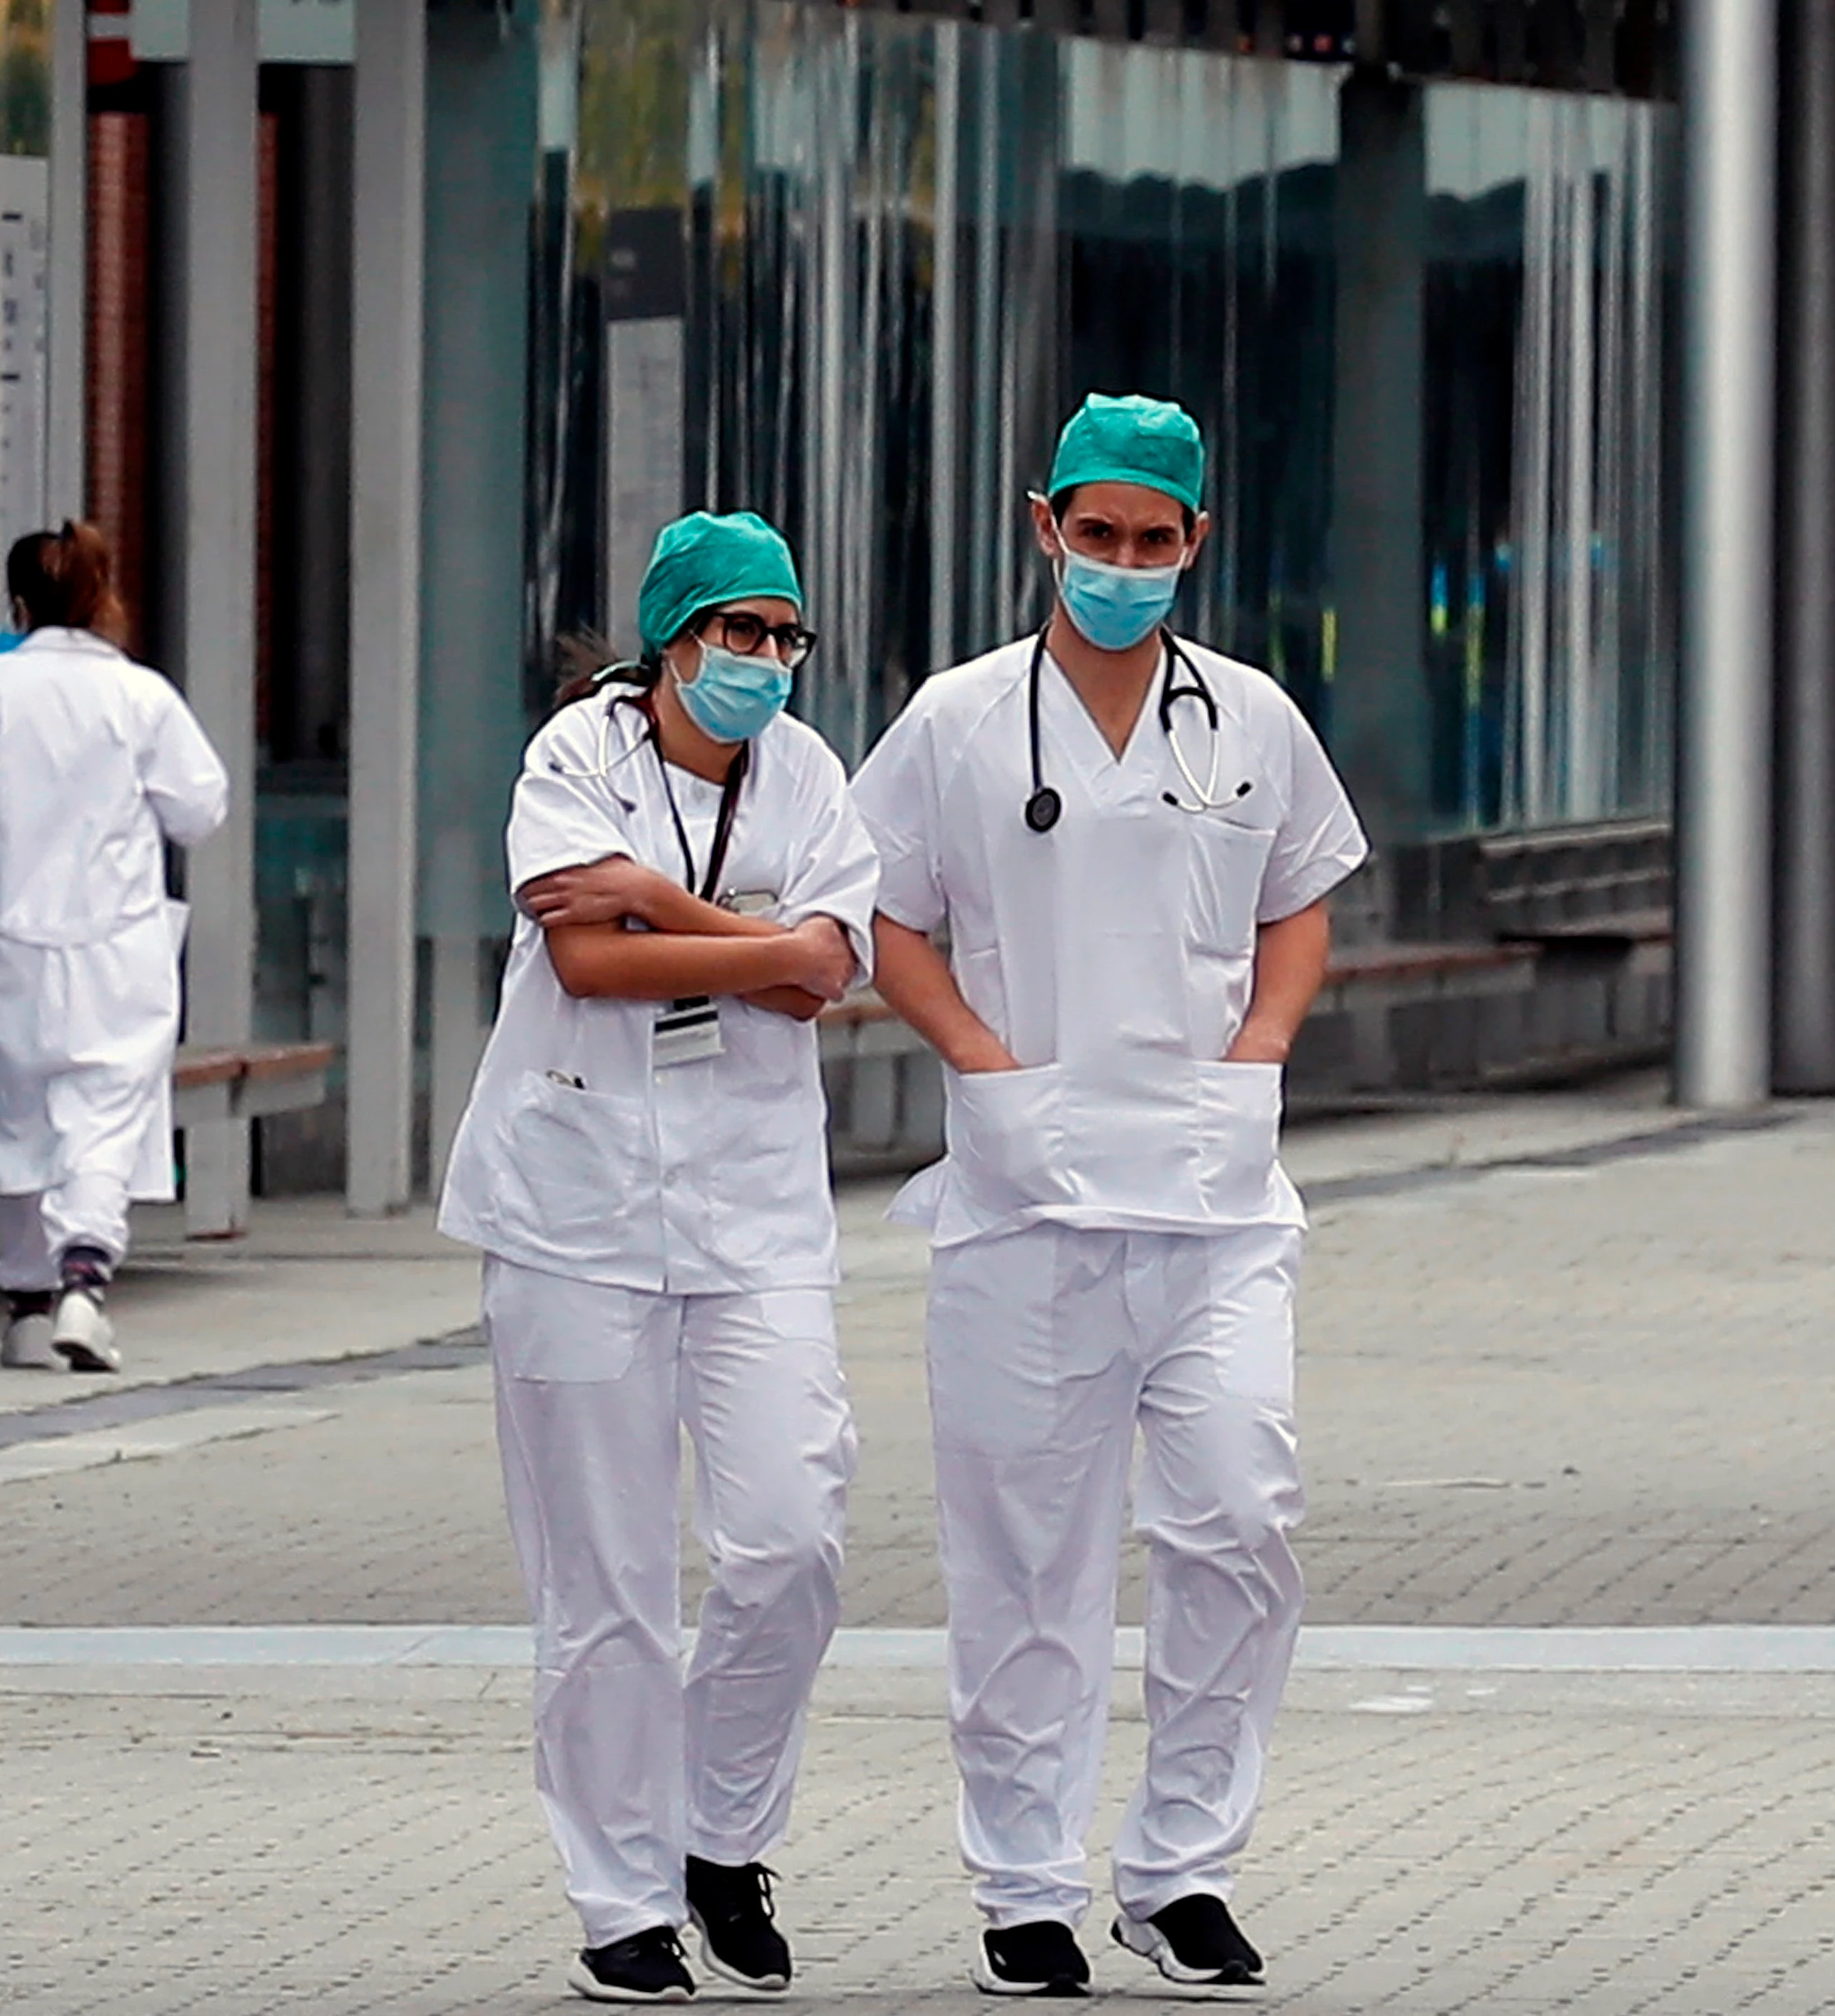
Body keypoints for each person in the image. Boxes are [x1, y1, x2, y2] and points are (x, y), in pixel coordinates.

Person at [848, 397, 1366, 1998]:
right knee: (1026, 1566)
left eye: (1156, 541)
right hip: (1022, 1206)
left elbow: (1301, 903)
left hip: (1214, 1201)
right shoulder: (955, 720)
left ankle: (1183, 1867)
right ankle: (1022, 1886)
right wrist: (985, 1066)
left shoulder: (1254, 719)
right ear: (1045, 526)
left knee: (1238, 1525)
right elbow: (887, 918)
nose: (1125, 565)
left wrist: (1263, 1046)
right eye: (1099, 534)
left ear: (1197, 545)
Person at [438, 512, 879, 2006]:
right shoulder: (580, 756)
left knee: (791, 1534)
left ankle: (720, 1834)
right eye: (733, 633)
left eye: (781, 636)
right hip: (574, 1208)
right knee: (608, 1583)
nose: (760, 662)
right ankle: (619, 1900)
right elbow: (584, 957)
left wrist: (665, 907)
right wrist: (751, 936)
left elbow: (827, 979)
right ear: (670, 640)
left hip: (754, 1210)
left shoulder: (814, 774)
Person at [0, 521, 229, 1374]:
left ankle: (24, 1304)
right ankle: (85, 1277)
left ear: (17, 604)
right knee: (104, 1113)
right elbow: (200, 808)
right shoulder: (139, 698)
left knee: (15, 1116)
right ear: (102, 597)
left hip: (6, 937)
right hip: (114, 940)